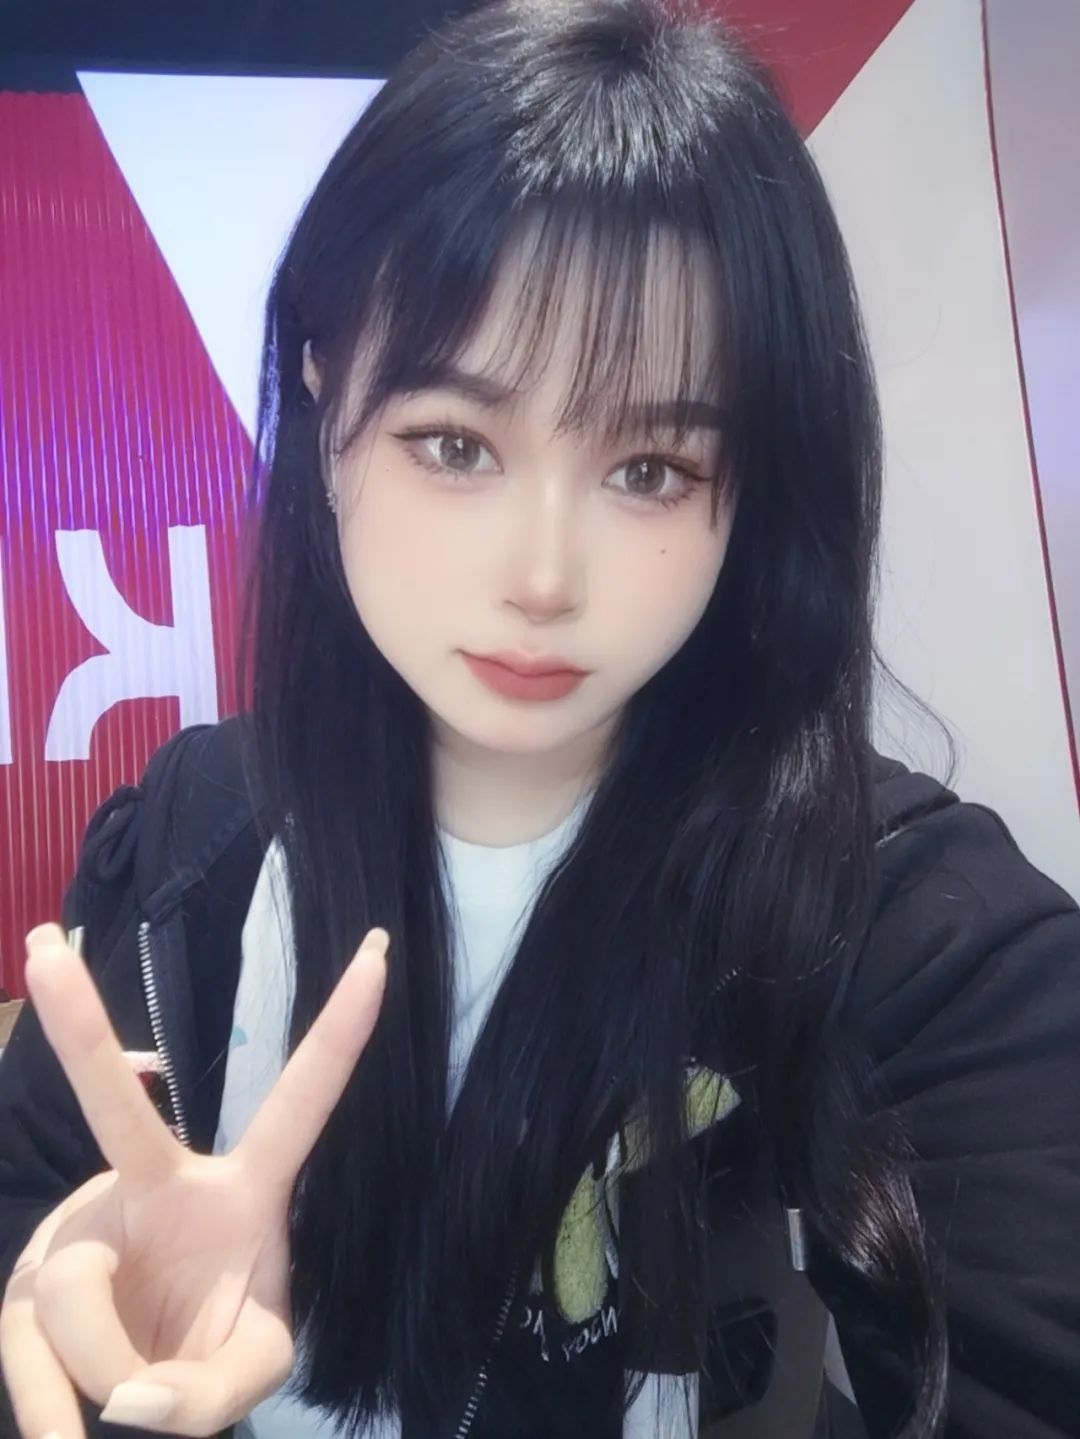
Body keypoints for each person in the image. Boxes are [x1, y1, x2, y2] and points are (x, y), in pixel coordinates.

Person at [2, 1, 1079, 1436]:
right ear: (324, 389)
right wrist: (75, 1349)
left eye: (650, 469)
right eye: (456, 443)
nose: (544, 578)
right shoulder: (180, 863)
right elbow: (39, 1243)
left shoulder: (910, 934)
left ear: (753, 484)